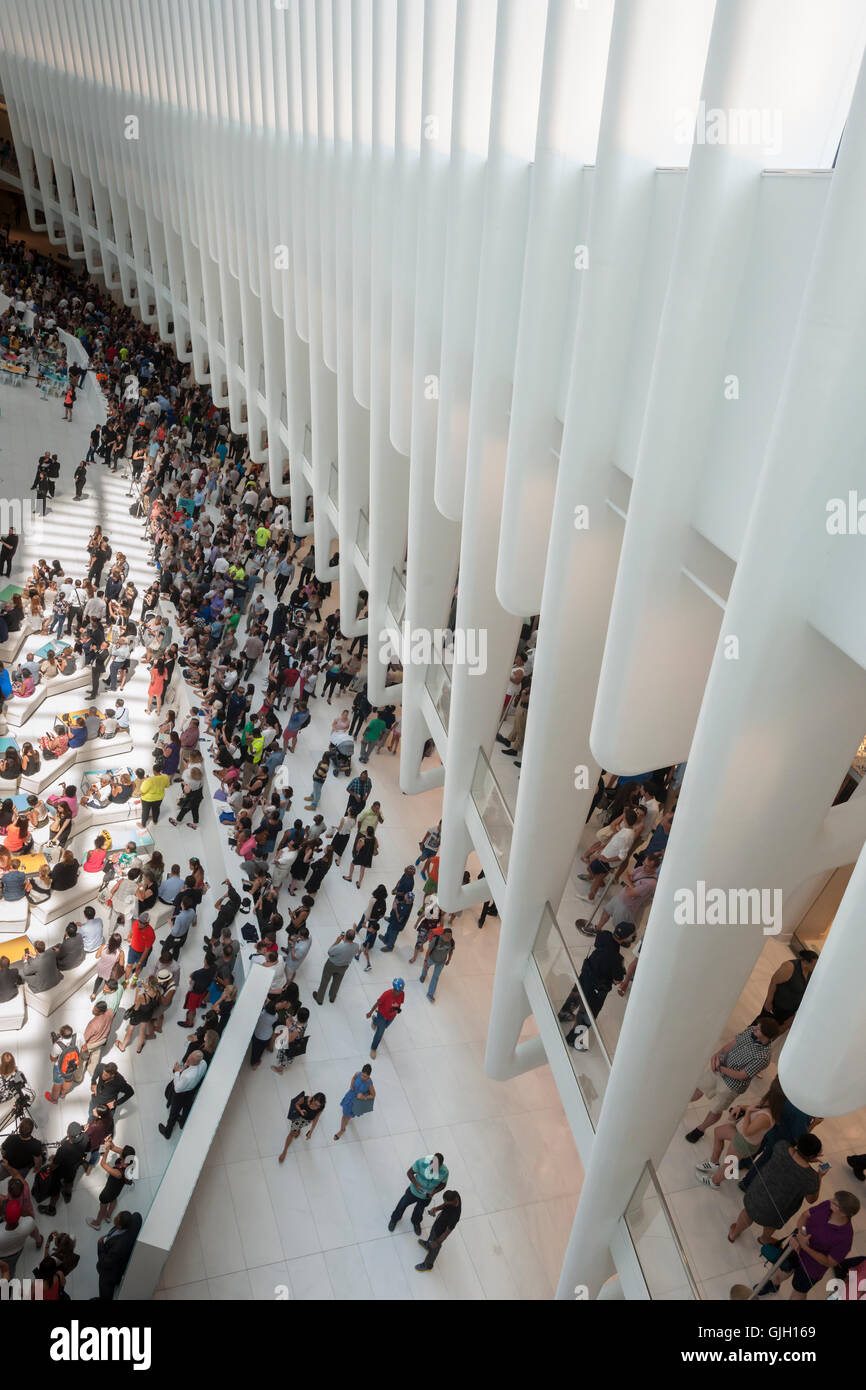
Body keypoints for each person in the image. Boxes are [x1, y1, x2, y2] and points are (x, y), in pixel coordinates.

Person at [685, 1017, 780, 1143]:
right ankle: (679, 1108)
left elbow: (742, 1075)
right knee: (699, 1087)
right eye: (757, 1025)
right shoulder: (751, 1030)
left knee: (716, 1109)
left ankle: (700, 1130)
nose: (755, 1028)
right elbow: (732, 1044)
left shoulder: (763, 1057)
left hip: (731, 1086)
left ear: (767, 1037)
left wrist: (721, 1068)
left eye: (759, 1029)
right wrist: (717, 1055)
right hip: (719, 1069)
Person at [757, 1191, 860, 1298]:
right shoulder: (827, 1206)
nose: (830, 1201)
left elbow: (830, 1262)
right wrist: (801, 1234)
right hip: (796, 1246)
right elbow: (805, 1215)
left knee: (799, 1291)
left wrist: (805, 1247)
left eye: (835, 1203)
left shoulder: (845, 1238)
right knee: (783, 1269)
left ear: (843, 1213)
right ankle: (773, 1285)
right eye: (833, 1198)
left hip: (811, 1268)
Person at [728, 1134, 825, 1244]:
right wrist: (819, 1177)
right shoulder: (810, 1177)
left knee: (748, 1212)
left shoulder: (781, 1147)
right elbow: (811, 1199)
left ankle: (733, 1234)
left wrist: (807, 1157)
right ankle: (764, 1239)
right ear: (813, 1156)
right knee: (772, 1223)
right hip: (780, 1207)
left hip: (759, 1191)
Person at [754, 950, 818, 1035]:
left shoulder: (810, 973)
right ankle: (744, 1039)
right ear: (806, 962)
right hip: (775, 1007)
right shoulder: (789, 967)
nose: (816, 966)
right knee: (761, 1026)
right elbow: (774, 981)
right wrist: (769, 1001)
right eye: (814, 964)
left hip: (788, 1012)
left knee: (773, 1032)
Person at [389, 1153, 449, 1236]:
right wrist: (416, 1184)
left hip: (427, 1196)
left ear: (441, 1165)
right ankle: (394, 1219)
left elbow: (443, 1185)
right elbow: (409, 1173)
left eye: (436, 1168)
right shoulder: (421, 1163)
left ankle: (416, 1222)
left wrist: (434, 1192)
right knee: (402, 1204)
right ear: (431, 1161)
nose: (433, 1170)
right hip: (413, 1191)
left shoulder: (444, 1172)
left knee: (419, 1210)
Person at [87, 1140, 137, 1231]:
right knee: (114, 1200)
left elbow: (103, 1164)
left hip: (108, 1191)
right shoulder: (130, 1160)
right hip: (117, 1189)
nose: (121, 1151)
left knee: (103, 1207)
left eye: (122, 1152)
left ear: (124, 1157)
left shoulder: (118, 1173)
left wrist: (106, 1150)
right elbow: (114, 1147)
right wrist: (109, 1143)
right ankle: (108, 1216)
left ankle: (97, 1223)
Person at [159, 1050, 208, 1138]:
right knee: (186, 1108)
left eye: (190, 1059)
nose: (188, 1059)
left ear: (195, 1062)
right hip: (191, 1091)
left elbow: (177, 1088)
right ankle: (182, 1122)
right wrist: (183, 1066)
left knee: (173, 1113)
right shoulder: (203, 1063)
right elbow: (187, 1065)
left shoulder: (188, 1076)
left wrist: (177, 1071)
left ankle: (167, 1132)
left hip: (181, 1093)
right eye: (189, 1056)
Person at [95, 1209, 142, 1300]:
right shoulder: (135, 1218)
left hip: (113, 1269)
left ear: (120, 1226)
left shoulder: (119, 1246)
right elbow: (137, 1215)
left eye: (117, 1219)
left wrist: (100, 1245)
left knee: (105, 1285)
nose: (115, 1218)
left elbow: (105, 1262)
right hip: (121, 1257)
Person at [415, 1190, 462, 1272]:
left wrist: (437, 1242)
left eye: (446, 1202)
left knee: (435, 1248)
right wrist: (436, 1209)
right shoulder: (455, 1195)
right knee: (431, 1236)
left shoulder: (455, 1217)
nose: (445, 1203)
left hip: (440, 1232)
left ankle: (428, 1265)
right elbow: (444, 1205)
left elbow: (447, 1232)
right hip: (439, 1223)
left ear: (452, 1201)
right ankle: (428, 1244)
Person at [312, 929, 357, 1006]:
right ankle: (332, 997)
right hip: (344, 966)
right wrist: (345, 941)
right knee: (337, 982)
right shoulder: (356, 946)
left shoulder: (340, 946)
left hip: (332, 964)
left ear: (345, 936)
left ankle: (319, 998)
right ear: (353, 938)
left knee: (325, 980)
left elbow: (330, 952)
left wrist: (337, 941)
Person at [278, 1091, 326, 1161]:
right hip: (299, 1118)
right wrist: (300, 1111)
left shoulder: (321, 1108)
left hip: (307, 1121)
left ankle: (299, 1129)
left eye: (318, 1106)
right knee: (292, 1134)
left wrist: (311, 1132)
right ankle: (284, 1151)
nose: (316, 1107)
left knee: (299, 1127)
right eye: (315, 1104)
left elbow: (316, 1119)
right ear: (313, 1099)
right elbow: (296, 1104)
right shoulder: (305, 1099)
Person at [334, 1064, 375, 1141]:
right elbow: (353, 1078)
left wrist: (363, 1097)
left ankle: (346, 1121)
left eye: (365, 1076)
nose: (363, 1078)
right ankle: (342, 1129)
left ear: (369, 1076)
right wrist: (351, 1085)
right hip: (351, 1095)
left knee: (349, 1115)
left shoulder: (369, 1084)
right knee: (345, 1115)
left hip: (357, 1101)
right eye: (362, 1075)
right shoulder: (358, 1074)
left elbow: (373, 1095)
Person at [367, 979, 405, 1059]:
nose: (397, 993)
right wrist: (370, 1012)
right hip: (382, 1015)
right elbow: (378, 1003)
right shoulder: (386, 994)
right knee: (380, 1032)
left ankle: (374, 1020)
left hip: (392, 1016)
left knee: (385, 1026)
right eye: (396, 990)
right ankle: (373, 1048)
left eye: (399, 991)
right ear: (393, 988)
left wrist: (397, 1009)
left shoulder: (402, 994)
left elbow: (399, 1003)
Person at [419, 925, 455, 1002]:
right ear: (442, 934)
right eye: (447, 936)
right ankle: (423, 975)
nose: (449, 938)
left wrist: (449, 959)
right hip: (431, 958)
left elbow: (451, 951)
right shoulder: (436, 939)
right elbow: (428, 950)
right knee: (425, 967)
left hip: (441, 962)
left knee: (435, 977)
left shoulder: (451, 942)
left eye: (450, 937)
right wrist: (425, 960)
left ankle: (430, 994)